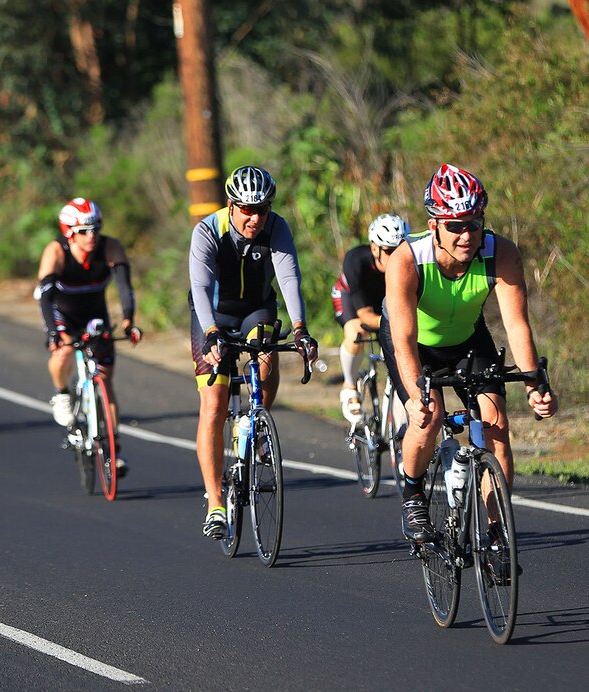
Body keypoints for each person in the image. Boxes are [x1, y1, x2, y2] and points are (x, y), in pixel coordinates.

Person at [381, 164, 557, 544]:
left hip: (467, 339)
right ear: (434, 226)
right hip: (414, 344)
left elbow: (517, 325)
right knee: (428, 415)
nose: (466, 235)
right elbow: (404, 340)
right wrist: (416, 396)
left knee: (496, 424)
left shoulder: (501, 253)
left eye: (474, 223)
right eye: (455, 225)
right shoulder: (407, 260)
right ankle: (412, 493)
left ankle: (495, 531)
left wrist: (534, 383)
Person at [189, 166, 318, 539]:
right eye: (246, 209)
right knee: (213, 404)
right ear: (231, 205)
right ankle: (215, 504)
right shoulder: (208, 231)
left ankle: (254, 424)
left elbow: (289, 278)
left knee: (267, 357)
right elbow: (199, 286)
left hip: (256, 309)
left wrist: (301, 329)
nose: (255, 217)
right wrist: (212, 331)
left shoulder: (276, 227)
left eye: (261, 208)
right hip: (213, 314)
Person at [37, 198, 142, 477]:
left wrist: (129, 320)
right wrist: (53, 332)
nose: (91, 236)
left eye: (95, 228)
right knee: (63, 353)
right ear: (69, 232)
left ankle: (114, 449)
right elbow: (45, 297)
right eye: (83, 231)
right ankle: (62, 394)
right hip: (63, 313)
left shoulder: (110, 247)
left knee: (105, 379)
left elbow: (124, 288)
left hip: (95, 315)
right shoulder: (56, 252)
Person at [331, 213, 410, 425]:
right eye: (389, 251)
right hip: (352, 299)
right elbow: (365, 316)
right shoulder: (356, 260)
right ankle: (349, 387)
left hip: (384, 302)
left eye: (400, 250)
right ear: (375, 248)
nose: (396, 257)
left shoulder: (410, 262)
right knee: (358, 330)